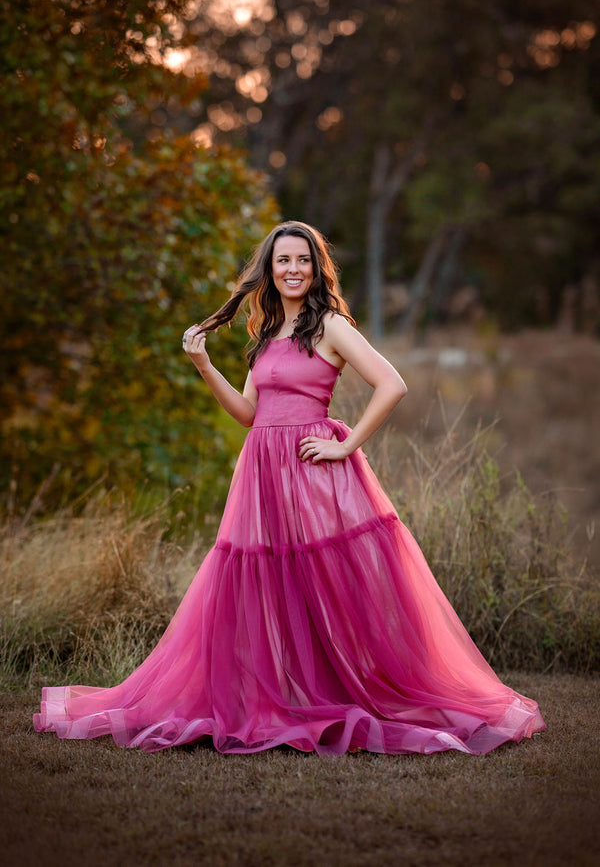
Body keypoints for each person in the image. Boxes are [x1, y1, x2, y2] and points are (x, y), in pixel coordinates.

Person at [34, 220, 545, 755]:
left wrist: (345, 445)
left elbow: (392, 383)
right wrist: (204, 364)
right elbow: (249, 415)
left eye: (303, 260)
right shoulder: (266, 334)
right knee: (262, 579)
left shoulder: (328, 325)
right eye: (283, 261)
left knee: (326, 579)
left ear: (316, 267)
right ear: (270, 269)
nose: (293, 270)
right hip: (261, 471)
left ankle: (352, 688)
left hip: (312, 471)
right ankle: (275, 694)